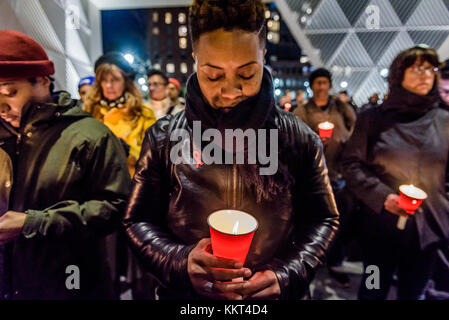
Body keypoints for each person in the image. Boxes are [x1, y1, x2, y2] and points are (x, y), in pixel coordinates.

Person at [123, 0, 339, 300]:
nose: (230, 90)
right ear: (195, 58)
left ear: (263, 55)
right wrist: (180, 261)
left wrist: (287, 274)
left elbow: (323, 219)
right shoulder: (164, 137)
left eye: (247, 74)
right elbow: (137, 220)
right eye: (213, 74)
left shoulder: (298, 139)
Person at [0, 30, 130, 299]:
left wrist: (33, 223)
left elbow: (116, 207)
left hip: (71, 281)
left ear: (43, 81)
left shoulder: (88, 135)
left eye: (10, 92)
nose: (2, 107)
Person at [341, 46, 449, 300]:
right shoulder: (373, 118)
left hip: (427, 230)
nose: (425, 75)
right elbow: (352, 165)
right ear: (399, 74)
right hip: (380, 229)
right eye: (417, 68)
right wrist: (384, 197)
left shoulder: (445, 121)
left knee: (413, 293)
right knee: (373, 288)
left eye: (430, 69)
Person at [294, 68, 357, 287]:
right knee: (314, 222)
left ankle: (335, 261)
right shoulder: (302, 111)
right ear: (312, 86)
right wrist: (315, 143)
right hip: (313, 178)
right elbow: (294, 140)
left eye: (324, 83)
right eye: (317, 83)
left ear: (330, 85)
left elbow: (355, 132)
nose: (321, 87)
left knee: (339, 222)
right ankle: (312, 261)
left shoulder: (341, 109)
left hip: (339, 175)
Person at [83, 52, 156, 177]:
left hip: (131, 182)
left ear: (126, 81)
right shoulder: (90, 110)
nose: (109, 85)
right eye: (104, 80)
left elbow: (154, 155)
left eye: (115, 80)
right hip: (96, 184)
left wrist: (128, 152)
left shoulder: (143, 112)